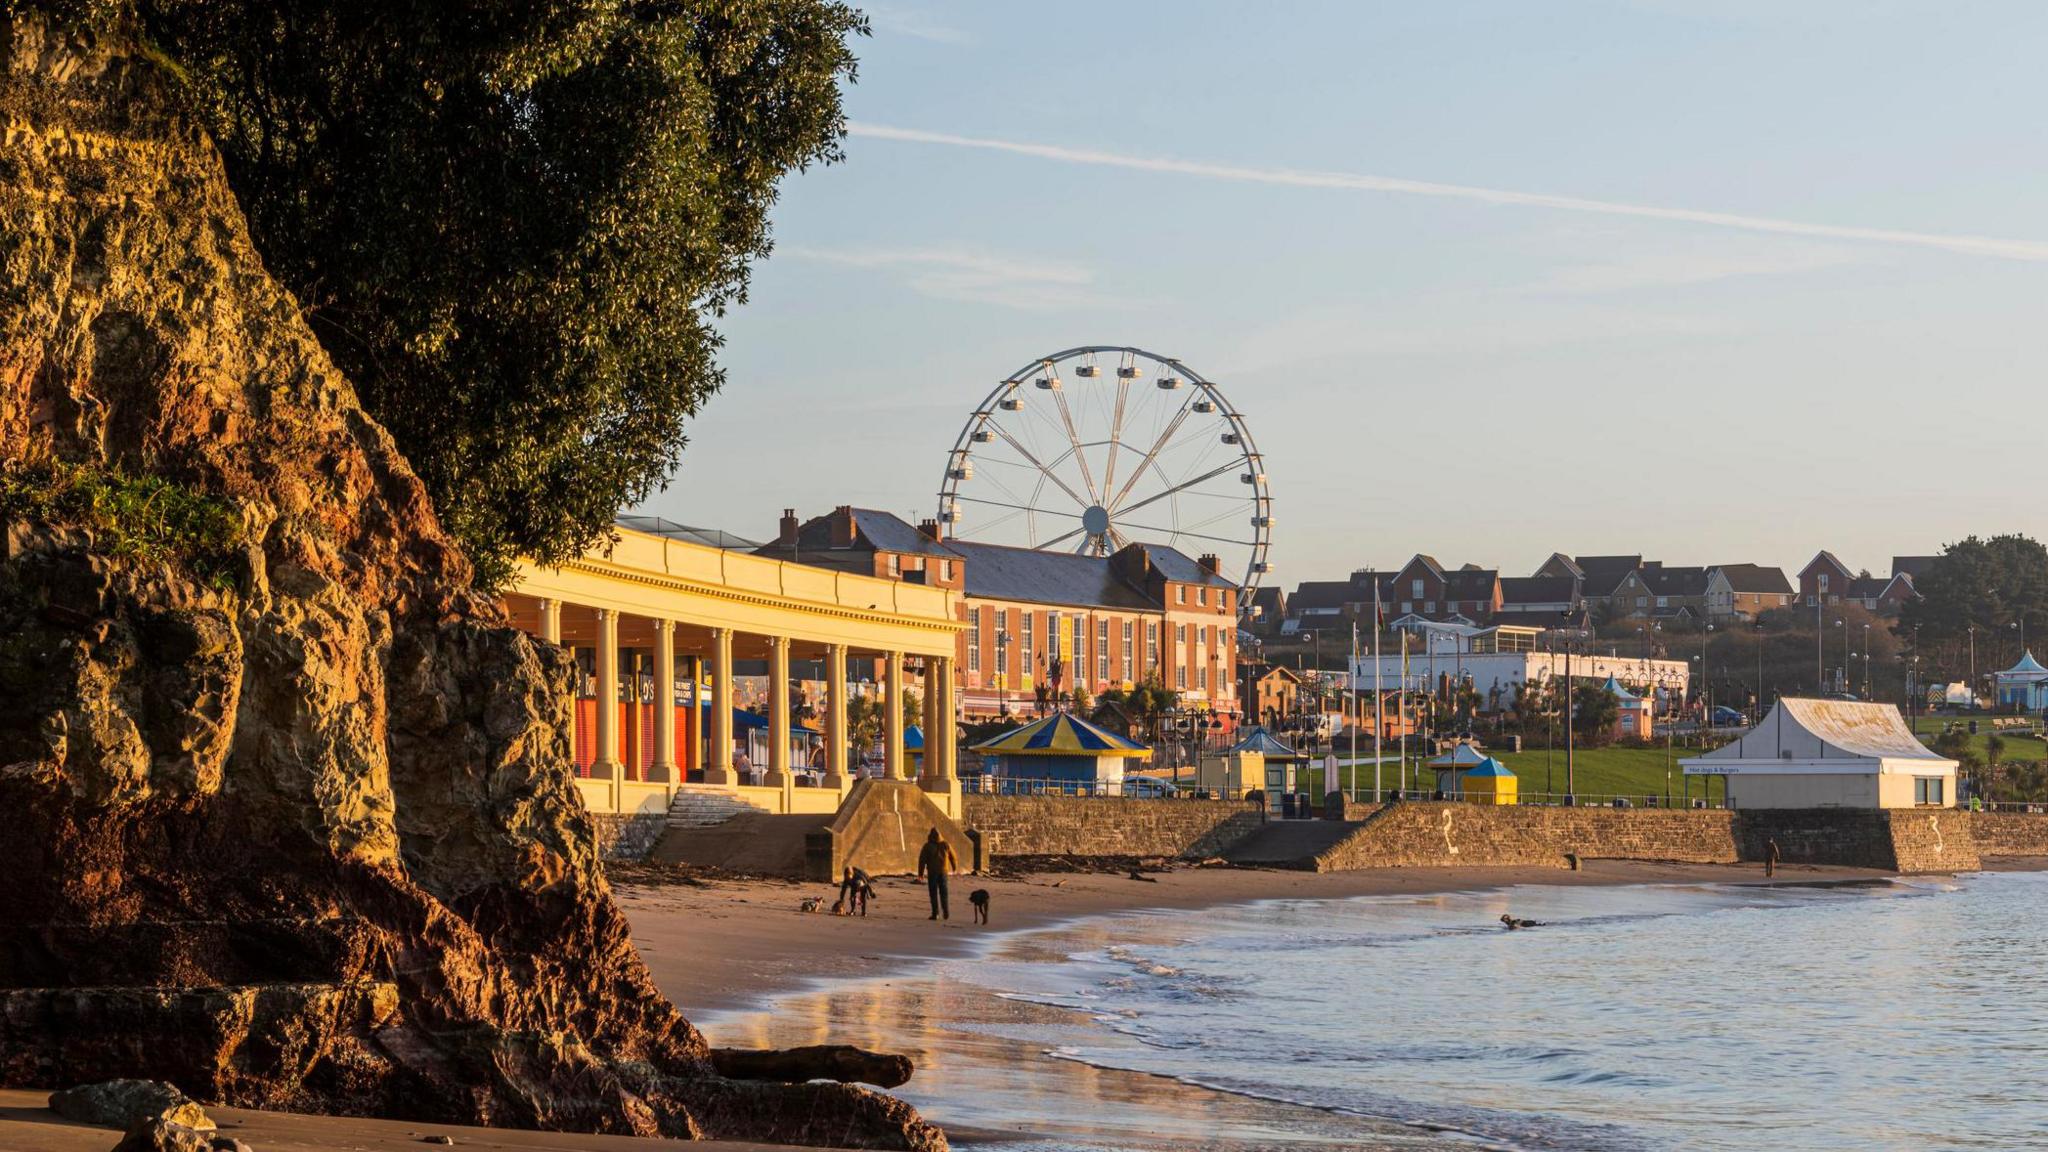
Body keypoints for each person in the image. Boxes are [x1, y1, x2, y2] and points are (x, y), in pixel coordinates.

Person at [917, 828, 957, 921]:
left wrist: (920, 873)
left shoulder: (927, 846)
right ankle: (946, 911)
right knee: (944, 892)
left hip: (932, 872)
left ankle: (935, 913)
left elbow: (922, 860)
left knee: (933, 893)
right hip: (943, 872)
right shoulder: (946, 845)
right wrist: (954, 867)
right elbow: (953, 857)